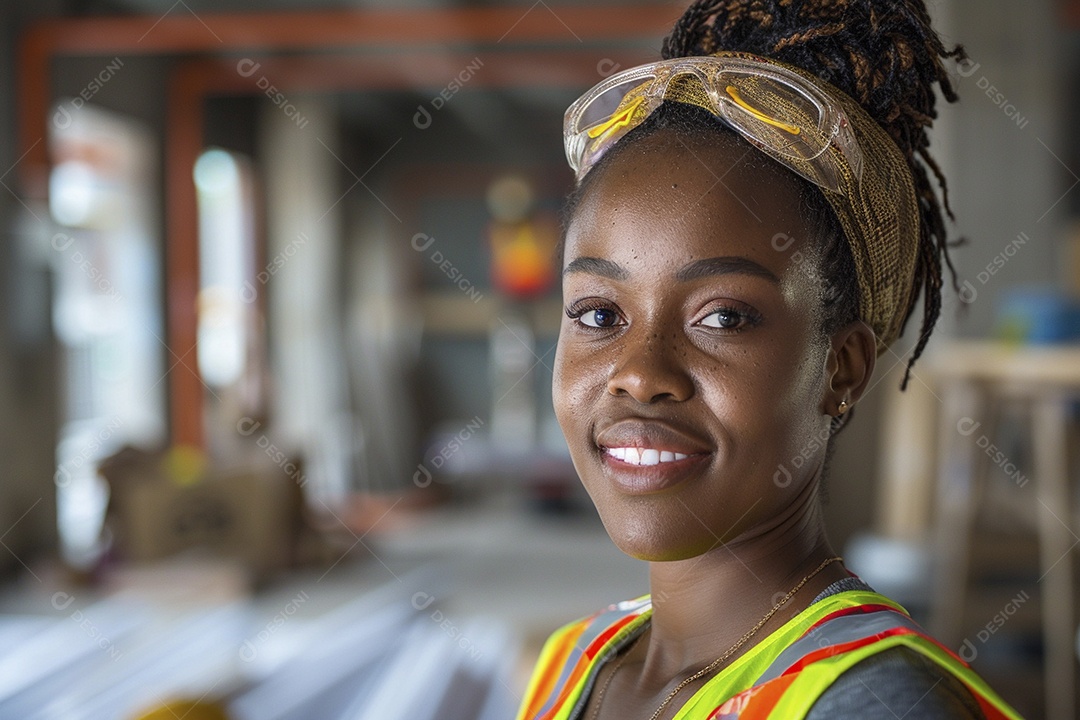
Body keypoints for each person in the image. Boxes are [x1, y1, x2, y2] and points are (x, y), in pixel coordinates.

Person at [515, 1, 1025, 718]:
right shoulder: (572, 665)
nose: (639, 372)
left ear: (841, 368)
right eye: (600, 314)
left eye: (722, 316)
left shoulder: (876, 705)